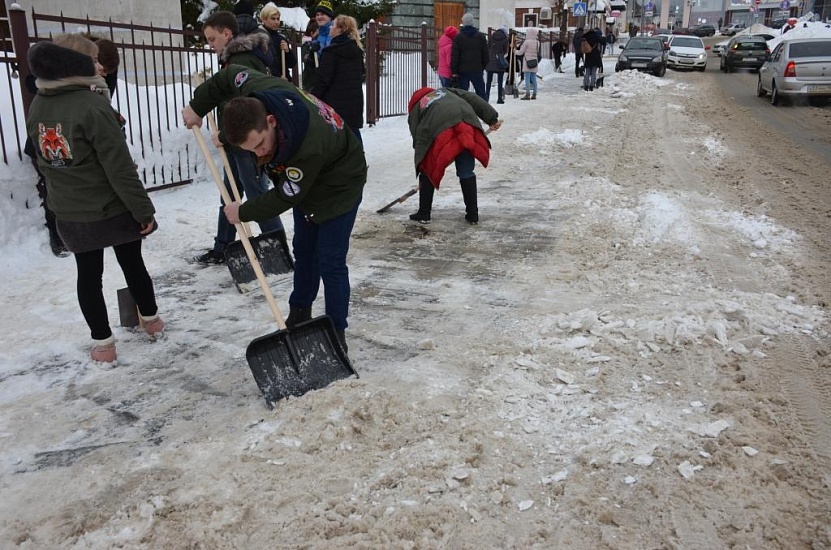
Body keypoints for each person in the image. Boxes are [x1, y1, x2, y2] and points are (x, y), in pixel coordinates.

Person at [181, 67, 366, 352]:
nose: (259, 154)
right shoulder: (256, 90)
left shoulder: (308, 146)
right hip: (306, 179)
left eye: (260, 145)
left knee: (330, 260)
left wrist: (241, 212)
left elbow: (284, 197)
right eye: (250, 150)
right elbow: (227, 76)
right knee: (304, 249)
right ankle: (300, 312)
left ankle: (335, 331)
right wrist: (198, 106)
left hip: (340, 183)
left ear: (271, 121)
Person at [26, 36, 164, 364]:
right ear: (75, 64)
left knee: (88, 275)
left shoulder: (39, 105)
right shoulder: (93, 105)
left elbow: (44, 160)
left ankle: (103, 345)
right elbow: (119, 168)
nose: (101, 66)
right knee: (133, 263)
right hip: (112, 210)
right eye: (94, 60)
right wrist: (143, 211)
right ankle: (152, 321)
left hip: (72, 214)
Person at [195, 10, 284, 265]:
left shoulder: (243, 60)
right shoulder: (232, 59)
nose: (210, 45)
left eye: (212, 39)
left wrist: (225, 134)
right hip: (236, 142)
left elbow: (247, 106)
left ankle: (276, 249)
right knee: (229, 196)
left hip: (247, 142)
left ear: (227, 33)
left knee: (257, 196)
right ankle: (222, 246)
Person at [406, 87, 501, 225]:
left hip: (440, 131)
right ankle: (472, 214)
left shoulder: (417, 107)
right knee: (466, 171)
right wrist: (492, 118)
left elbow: (418, 137)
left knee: (427, 167)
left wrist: (424, 162)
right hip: (466, 122)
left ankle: (424, 213)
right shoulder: (445, 91)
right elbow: (473, 98)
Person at [310, 15, 365, 144]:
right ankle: (359, 158)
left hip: (335, 101)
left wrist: (314, 97)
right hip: (353, 99)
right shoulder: (356, 49)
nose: (331, 27)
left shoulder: (331, 52)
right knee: (352, 131)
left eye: (334, 25)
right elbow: (361, 73)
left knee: (337, 134)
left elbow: (323, 79)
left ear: (341, 29)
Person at [451, 12, 489, 100]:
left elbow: (455, 56)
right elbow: (486, 55)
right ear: (473, 22)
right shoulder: (481, 37)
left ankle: (464, 112)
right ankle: (485, 112)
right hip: (477, 69)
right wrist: (482, 67)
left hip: (463, 71)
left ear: (463, 23)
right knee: (481, 93)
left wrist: (454, 71)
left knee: (463, 95)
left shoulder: (458, 38)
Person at [259, 2, 297, 81]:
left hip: (283, 82)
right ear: (264, 19)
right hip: (268, 81)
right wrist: (278, 78)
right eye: (273, 19)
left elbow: (292, 64)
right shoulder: (259, 37)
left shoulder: (281, 39)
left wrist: (287, 51)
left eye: (278, 19)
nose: (276, 22)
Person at [485, 25, 509, 104]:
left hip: (490, 61)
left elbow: (488, 47)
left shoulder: (492, 36)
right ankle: (499, 98)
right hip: (500, 61)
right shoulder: (505, 39)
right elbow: (505, 51)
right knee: (500, 81)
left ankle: (486, 97)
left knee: (488, 81)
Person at [515, 27, 540, 100]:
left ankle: (528, 94)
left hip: (527, 62)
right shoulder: (537, 42)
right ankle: (534, 94)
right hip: (534, 61)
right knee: (534, 78)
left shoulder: (526, 42)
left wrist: (514, 51)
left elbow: (520, 52)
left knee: (527, 79)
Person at [301, 19, 319, 89]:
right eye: (317, 34)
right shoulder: (307, 44)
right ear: (312, 33)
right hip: (310, 76)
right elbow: (304, 58)